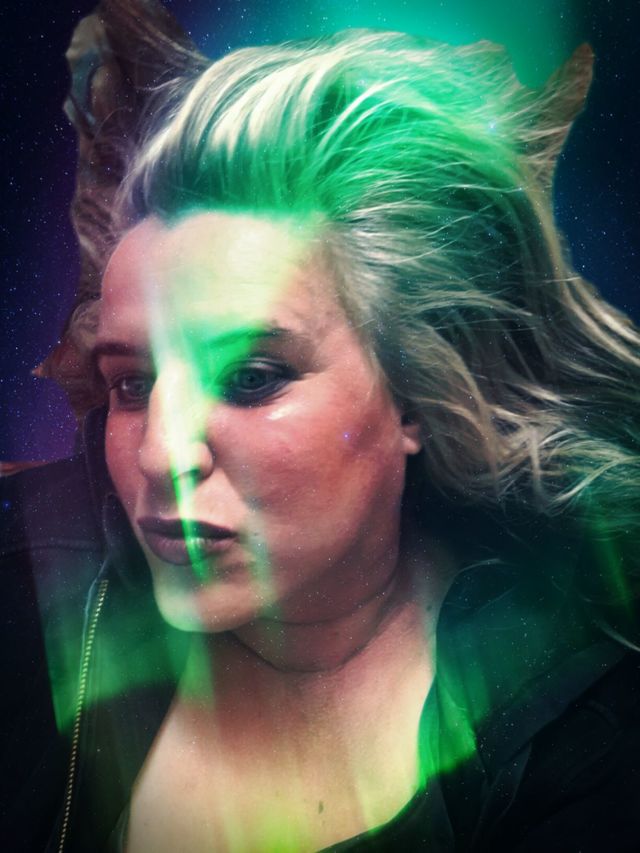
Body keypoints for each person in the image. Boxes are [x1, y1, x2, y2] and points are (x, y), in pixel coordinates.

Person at [2, 1, 639, 850]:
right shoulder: (29, 592)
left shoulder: (584, 738)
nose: (159, 453)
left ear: (415, 394)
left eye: (252, 378)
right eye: (132, 384)